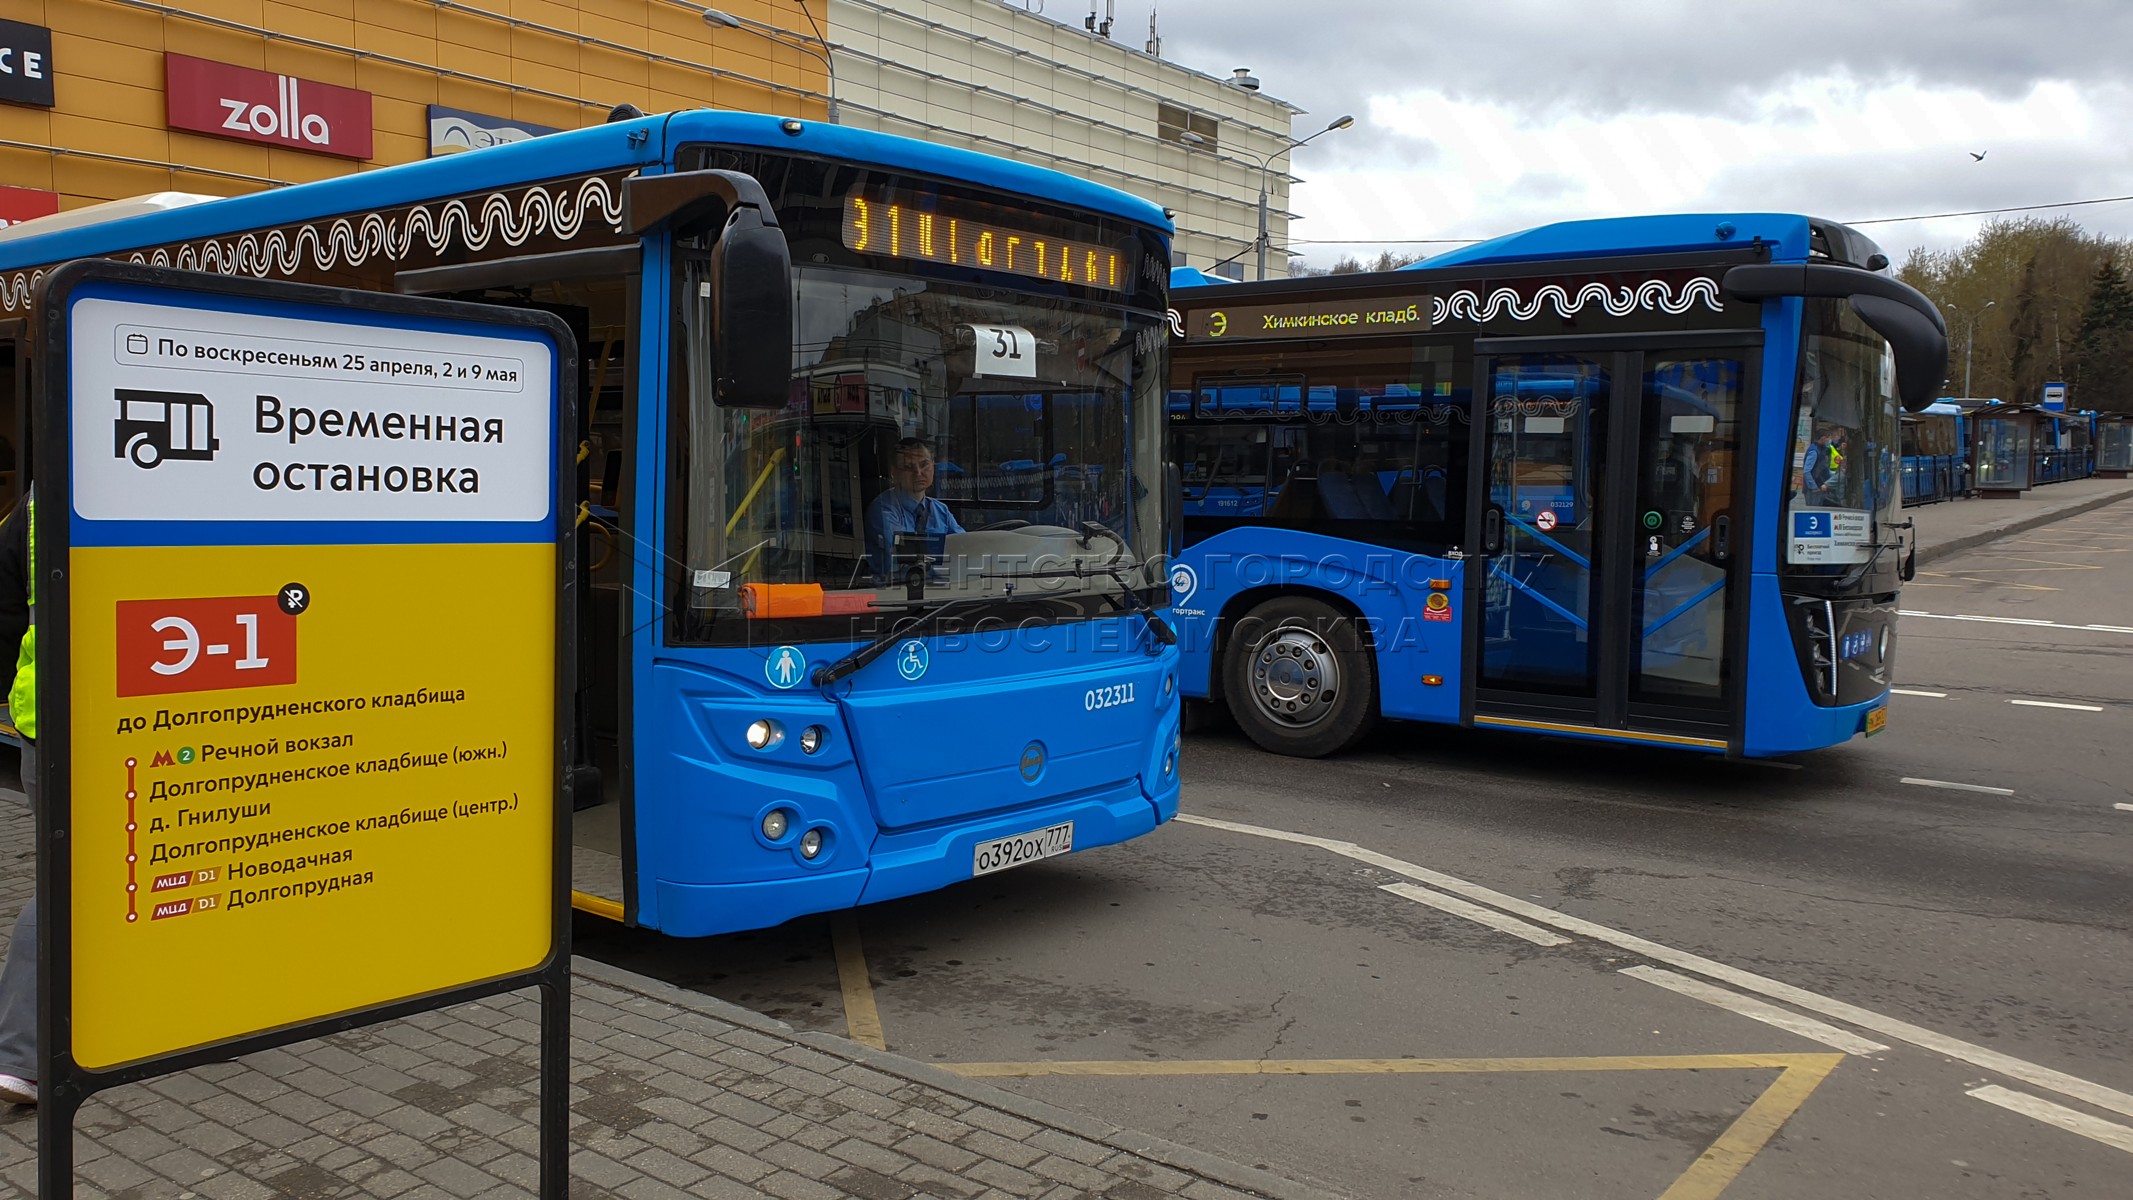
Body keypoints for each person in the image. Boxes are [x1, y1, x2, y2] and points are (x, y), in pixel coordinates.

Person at [0, 488, 36, 1107]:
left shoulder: (27, 509)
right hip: (134, 721)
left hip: (43, 717)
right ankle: (19, 1054)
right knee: (75, 881)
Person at [866, 438, 964, 580]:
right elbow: (898, 561)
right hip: (893, 595)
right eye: (908, 467)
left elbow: (965, 548)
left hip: (939, 594)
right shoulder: (883, 510)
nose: (918, 472)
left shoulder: (940, 511)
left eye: (924, 464)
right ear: (894, 472)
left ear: (933, 466)